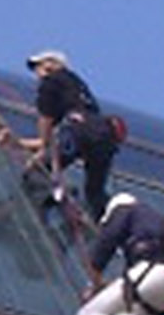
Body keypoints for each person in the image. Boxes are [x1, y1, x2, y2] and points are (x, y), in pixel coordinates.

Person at [14, 50, 121, 221]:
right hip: (103, 136)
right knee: (95, 191)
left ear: (53, 64)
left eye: (40, 65)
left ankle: (56, 201)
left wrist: (41, 150)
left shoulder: (52, 81)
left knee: (35, 172)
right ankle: (104, 221)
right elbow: (52, 141)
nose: (37, 72)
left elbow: (45, 121)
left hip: (79, 131)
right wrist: (17, 143)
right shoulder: (77, 86)